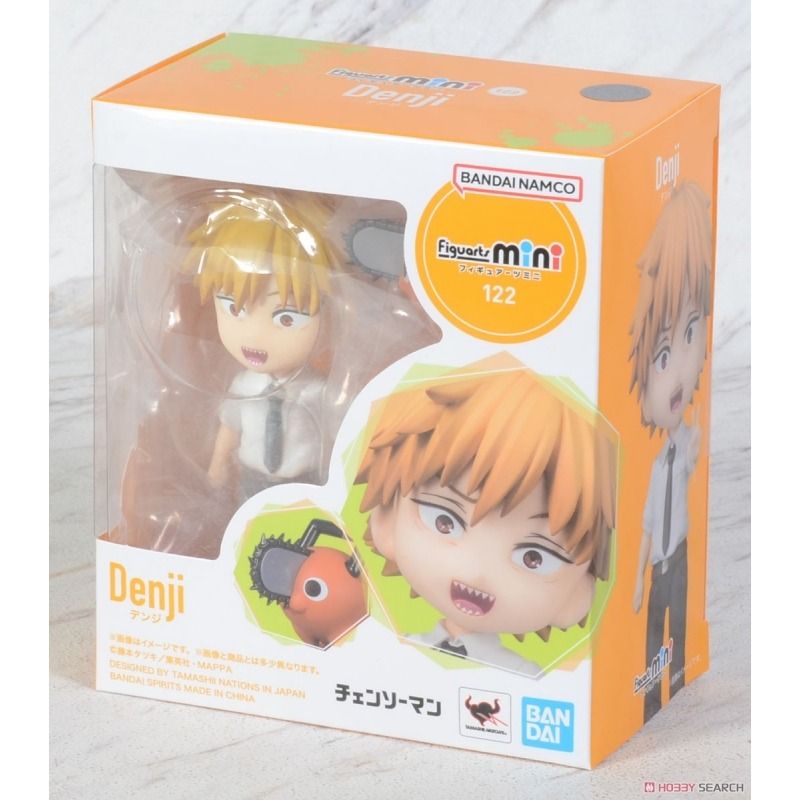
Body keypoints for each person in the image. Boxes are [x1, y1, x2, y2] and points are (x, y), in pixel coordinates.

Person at [354, 361, 617, 675]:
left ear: (579, 593)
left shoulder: (527, 680)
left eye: (534, 558)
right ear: (386, 519)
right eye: (444, 521)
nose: (476, 574)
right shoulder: (392, 658)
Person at [183, 193, 339, 497]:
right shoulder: (243, 386)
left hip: (306, 482)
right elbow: (230, 427)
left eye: (287, 318)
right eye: (234, 308)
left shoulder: (318, 391)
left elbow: (337, 437)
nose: (255, 336)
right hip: (251, 479)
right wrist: (218, 464)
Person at [629, 182, 712, 722]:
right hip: (656, 564)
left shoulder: (683, 449)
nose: (679, 371)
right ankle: (646, 697)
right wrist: (638, 579)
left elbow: (695, 448)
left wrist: (692, 432)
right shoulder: (659, 465)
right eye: (662, 354)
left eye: (692, 331)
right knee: (651, 629)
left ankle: (677, 681)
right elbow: (644, 525)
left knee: (678, 629)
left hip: (678, 557)